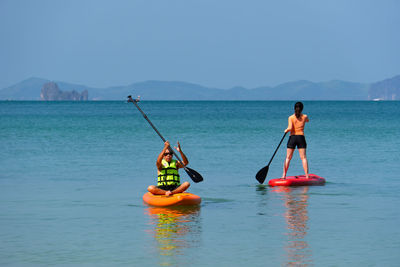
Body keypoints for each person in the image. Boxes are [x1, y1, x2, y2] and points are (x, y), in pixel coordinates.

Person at [282, 102, 310, 179]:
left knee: (288, 157)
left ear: (294, 108)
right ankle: (307, 175)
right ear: (302, 109)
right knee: (303, 158)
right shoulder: (305, 116)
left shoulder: (291, 117)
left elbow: (290, 128)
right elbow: (307, 120)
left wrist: (286, 130)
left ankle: (284, 175)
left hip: (293, 138)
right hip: (301, 138)